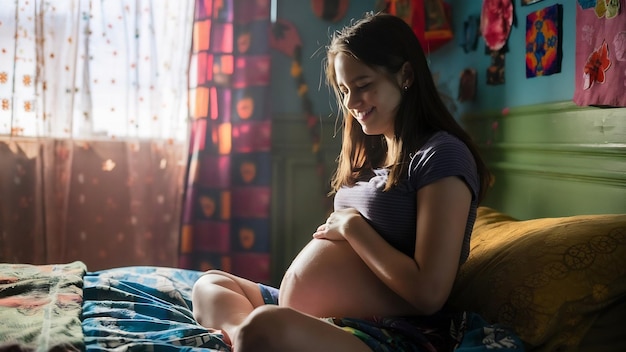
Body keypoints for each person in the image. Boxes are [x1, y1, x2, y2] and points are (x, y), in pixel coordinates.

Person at [192, 12, 493, 351]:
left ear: (406, 75)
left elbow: (428, 294)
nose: (351, 103)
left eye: (363, 86)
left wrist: (352, 227)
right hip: (321, 316)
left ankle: (252, 335)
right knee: (210, 283)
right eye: (345, 89)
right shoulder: (373, 152)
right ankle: (240, 336)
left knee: (261, 328)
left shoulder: (441, 156)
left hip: (386, 330)